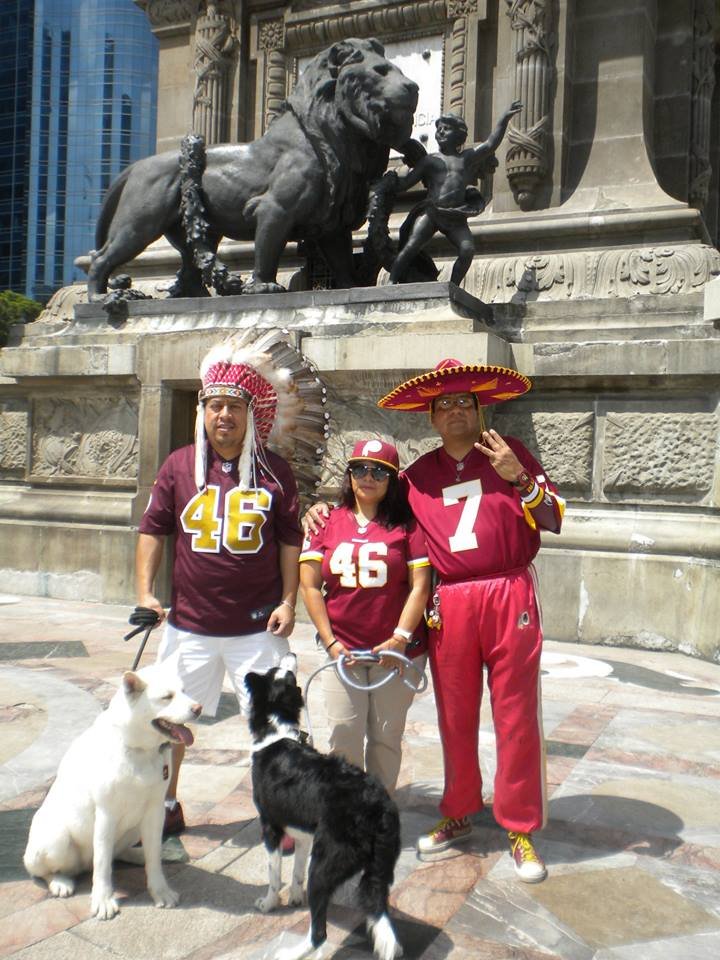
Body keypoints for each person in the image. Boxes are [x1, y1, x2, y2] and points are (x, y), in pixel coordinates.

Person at [305, 360, 564, 883]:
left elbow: (555, 517)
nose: (453, 413)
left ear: (478, 408)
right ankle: (460, 809)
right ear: (431, 416)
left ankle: (519, 825)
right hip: (450, 601)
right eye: (442, 405)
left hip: (507, 589)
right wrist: (316, 510)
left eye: (462, 403)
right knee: (454, 711)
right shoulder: (416, 476)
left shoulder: (510, 454)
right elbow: (366, 503)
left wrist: (521, 480)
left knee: (515, 713)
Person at [135, 336, 304, 838]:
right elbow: (153, 529)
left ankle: (279, 812)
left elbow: (291, 542)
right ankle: (165, 806)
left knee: (276, 726)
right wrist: (145, 592)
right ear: (202, 411)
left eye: (233, 405)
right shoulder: (179, 465)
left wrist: (289, 600)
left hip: (257, 627)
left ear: (251, 413)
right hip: (191, 626)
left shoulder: (277, 471)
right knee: (167, 728)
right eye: (214, 405)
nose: (223, 415)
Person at [299, 439, 430, 796]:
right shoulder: (326, 520)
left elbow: (420, 585)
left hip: (396, 651)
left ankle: (379, 811)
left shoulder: (407, 526)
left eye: (378, 471)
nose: (367, 477)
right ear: (349, 475)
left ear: (392, 479)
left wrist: (400, 638)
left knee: (386, 737)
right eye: (359, 469)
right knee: (344, 733)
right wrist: (330, 641)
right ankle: (348, 811)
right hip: (343, 647)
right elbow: (309, 586)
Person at [384, 103, 522, 285]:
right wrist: (390, 183)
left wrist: (504, 119)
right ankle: (392, 280)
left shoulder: (466, 158)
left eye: (446, 129)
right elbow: (407, 183)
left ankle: (453, 286)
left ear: (459, 135)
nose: (440, 132)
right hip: (432, 212)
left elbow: (490, 144)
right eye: (439, 128)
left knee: (467, 250)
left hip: (456, 216)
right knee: (412, 245)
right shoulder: (429, 161)